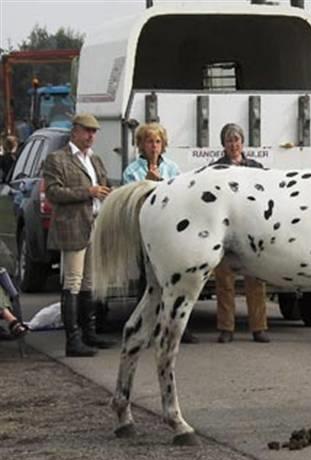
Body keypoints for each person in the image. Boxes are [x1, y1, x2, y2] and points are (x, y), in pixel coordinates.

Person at [43, 113, 115, 357]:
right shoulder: (57, 159)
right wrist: (88, 191)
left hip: (94, 224)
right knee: (72, 281)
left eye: (94, 132)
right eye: (87, 131)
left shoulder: (95, 160)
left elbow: (103, 186)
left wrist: (107, 192)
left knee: (89, 282)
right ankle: (72, 340)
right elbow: (54, 193)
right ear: (74, 131)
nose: (91, 136)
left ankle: (89, 333)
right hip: (72, 226)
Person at [121, 122, 198, 344]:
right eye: (149, 142)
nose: (154, 146)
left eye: (157, 142)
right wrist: (147, 183)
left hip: (170, 233)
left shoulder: (172, 169)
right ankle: (144, 329)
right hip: (146, 232)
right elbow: (131, 201)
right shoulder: (132, 171)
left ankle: (176, 328)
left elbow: (181, 197)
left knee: (175, 281)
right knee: (148, 282)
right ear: (141, 145)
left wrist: (161, 184)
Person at [211, 123, 270, 344]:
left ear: (243, 143)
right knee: (224, 281)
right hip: (226, 232)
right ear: (223, 145)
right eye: (229, 141)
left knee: (256, 280)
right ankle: (226, 328)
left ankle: (259, 327)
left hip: (251, 231)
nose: (233, 144)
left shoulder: (256, 167)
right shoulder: (215, 169)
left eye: (237, 140)